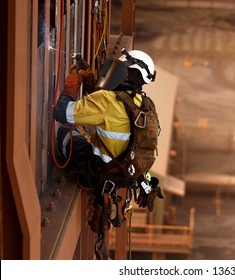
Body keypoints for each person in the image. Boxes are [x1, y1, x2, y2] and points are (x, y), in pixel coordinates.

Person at [54, 49, 163, 214]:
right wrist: (91, 81)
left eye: (120, 68)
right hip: (126, 175)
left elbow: (62, 112)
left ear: (129, 73)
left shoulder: (107, 100)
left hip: (98, 173)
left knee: (64, 132)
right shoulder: (147, 105)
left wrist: (72, 85)